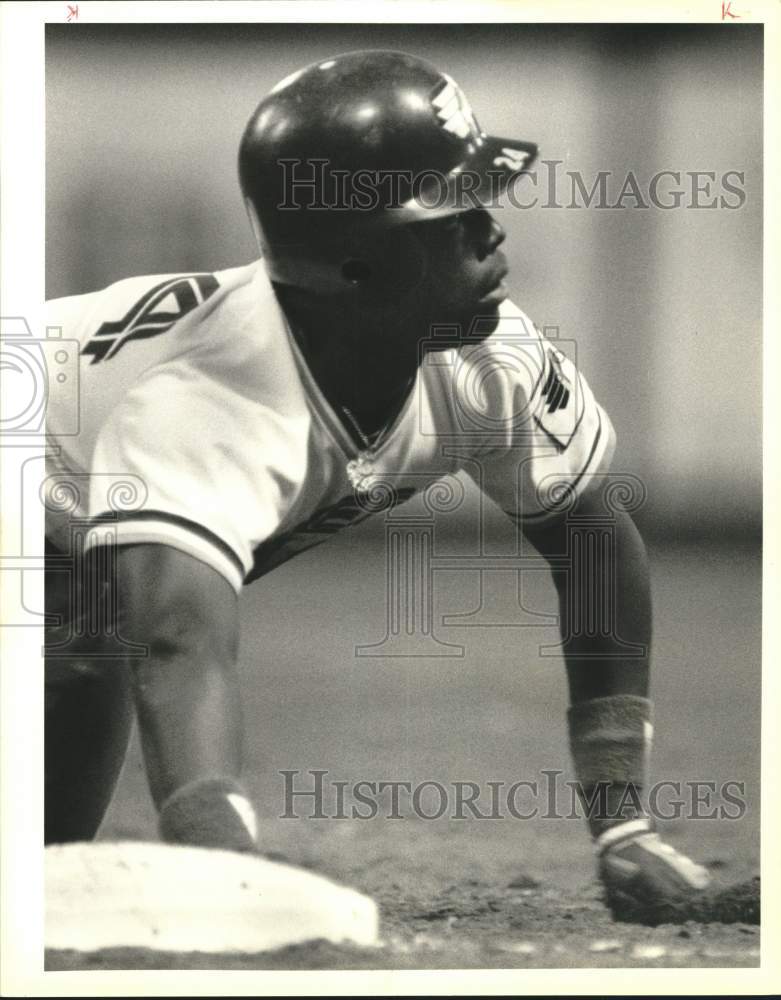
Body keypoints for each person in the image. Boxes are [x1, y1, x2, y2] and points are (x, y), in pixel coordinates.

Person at [43, 49, 723, 925]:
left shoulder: (490, 355)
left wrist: (619, 825)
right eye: (449, 212)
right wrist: (228, 875)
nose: (491, 229)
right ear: (354, 267)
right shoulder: (210, 403)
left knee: (41, 870)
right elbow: (178, 648)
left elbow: (590, 539)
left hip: (75, 555)